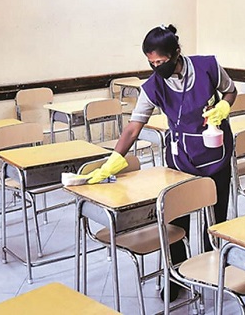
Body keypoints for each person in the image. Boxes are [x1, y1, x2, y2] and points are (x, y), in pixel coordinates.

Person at [84, 24, 237, 301]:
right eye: (151, 63)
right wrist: (114, 159)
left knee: (215, 216)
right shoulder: (154, 85)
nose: (157, 67)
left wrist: (224, 106)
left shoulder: (208, 67)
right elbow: (133, 127)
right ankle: (176, 275)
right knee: (175, 220)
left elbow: (230, 91)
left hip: (216, 155)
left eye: (161, 62)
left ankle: (212, 268)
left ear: (176, 53)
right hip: (180, 158)